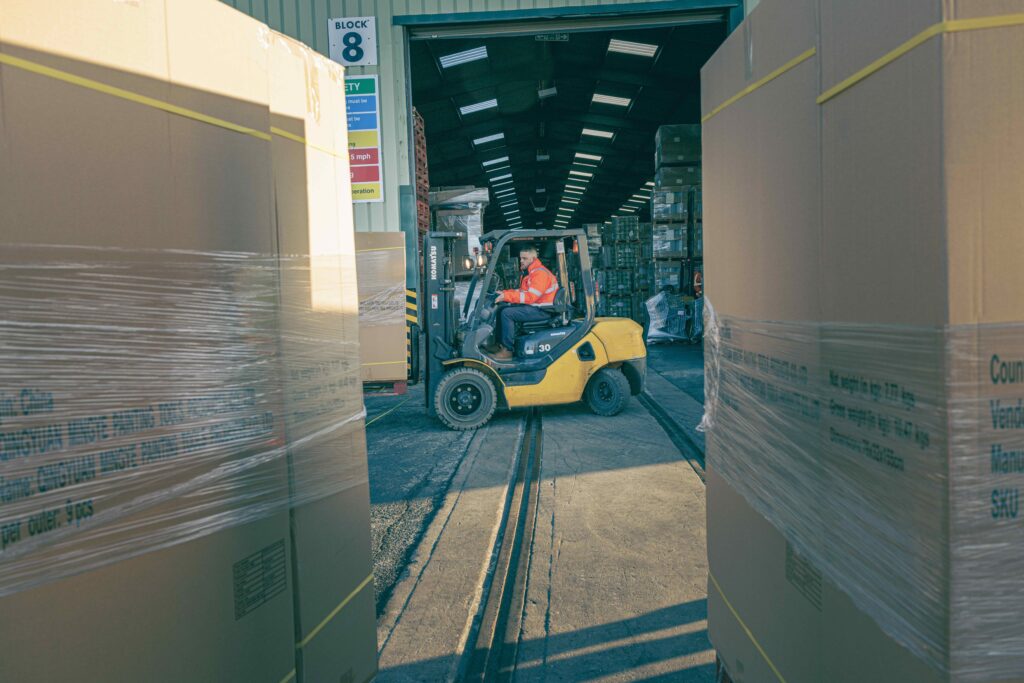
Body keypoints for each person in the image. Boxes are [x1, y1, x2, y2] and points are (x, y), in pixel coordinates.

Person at [489, 246, 558, 360]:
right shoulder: (532, 273)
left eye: (525, 258)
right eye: (521, 258)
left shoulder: (540, 274)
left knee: (507, 313)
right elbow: (522, 292)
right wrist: (504, 293)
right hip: (535, 307)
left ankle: (507, 351)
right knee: (501, 308)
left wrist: (506, 296)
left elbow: (530, 297)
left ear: (533, 258)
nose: (521, 261)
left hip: (542, 310)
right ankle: (499, 345)